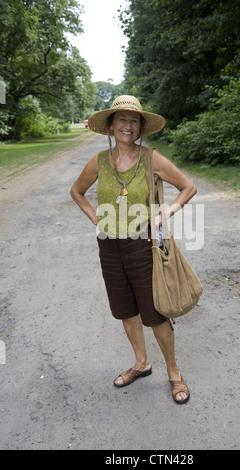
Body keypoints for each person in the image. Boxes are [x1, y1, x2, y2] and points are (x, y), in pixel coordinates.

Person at [70, 95, 197, 404]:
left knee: (154, 314)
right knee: (126, 310)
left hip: (144, 246)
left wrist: (165, 212)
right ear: (112, 126)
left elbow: (188, 187)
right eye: (122, 120)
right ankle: (141, 363)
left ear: (140, 127)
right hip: (109, 247)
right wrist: (95, 218)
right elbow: (76, 191)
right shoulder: (99, 161)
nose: (128, 125)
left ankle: (174, 372)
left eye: (134, 120)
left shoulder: (152, 158)